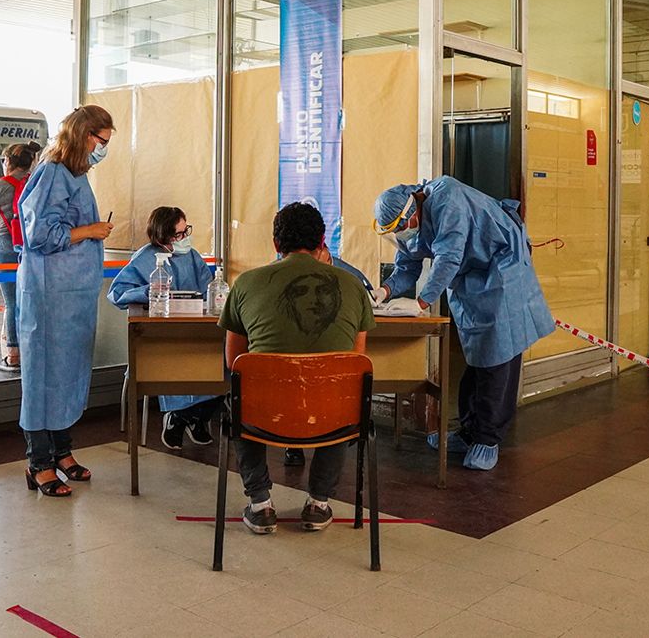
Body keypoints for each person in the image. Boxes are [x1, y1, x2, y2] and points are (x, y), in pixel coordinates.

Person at [372, 176, 555, 471]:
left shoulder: (448, 198)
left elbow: (449, 257)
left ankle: (488, 439)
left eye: (401, 227)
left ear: (412, 211)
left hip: (503, 271)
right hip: (474, 279)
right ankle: (469, 432)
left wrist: (420, 303)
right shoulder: (412, 224)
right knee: (478, 356)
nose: (402, 234)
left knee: (499, 358)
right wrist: (383, 291)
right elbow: (407, 265)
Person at [218, 202, 375, 534]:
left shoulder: (246, 284)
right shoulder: (353, 287)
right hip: (332, 419)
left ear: (276, 244)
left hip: (263, 417)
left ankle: (260, 503)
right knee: (346, 395)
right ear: (322, 242)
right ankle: (319, 501)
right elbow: (355, 365)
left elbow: (234, 363)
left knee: (237, 393)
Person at [16, 105, 114, 497]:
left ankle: (62, 451)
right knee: (43, 378)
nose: (103, 149)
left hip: (72, 296)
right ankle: (38, 462)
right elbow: (38, 234)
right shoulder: (52, 173)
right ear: (82, 135)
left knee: (67, 375)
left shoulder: (74, 175)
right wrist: (90, 229)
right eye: (101, 142)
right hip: (49, 295)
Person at [107, 206, 219, 450]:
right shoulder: (145, 258)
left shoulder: (192, 257)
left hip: (192, 331)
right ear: (161, 237)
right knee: (174, 359)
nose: (184, 238)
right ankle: (178, 417)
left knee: (220, 361)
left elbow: (208, 289)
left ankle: (194, 416)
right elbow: (116, 294)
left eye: (185, 231)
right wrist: (146, 292)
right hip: (161, 336)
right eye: (178, 234)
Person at [282, 241, 376, 467]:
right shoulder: (276, 277)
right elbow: (358, 356)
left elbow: (234, 358)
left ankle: (259, 499)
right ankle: (319, 497)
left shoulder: (351, 278)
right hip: (323, 389)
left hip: (281, 394)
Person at [0, 141, 41, 373]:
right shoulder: (35, 183)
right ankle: (32, 350)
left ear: (8, 161)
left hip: (7, 245)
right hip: (30, 246)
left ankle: (13, 354)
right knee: (29, 298)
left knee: (11, 302)